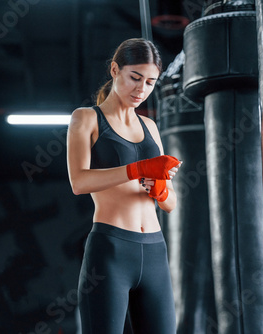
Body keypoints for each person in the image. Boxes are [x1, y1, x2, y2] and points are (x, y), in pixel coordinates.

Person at [67, 38, 181, 334]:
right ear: (115, 69)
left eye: (150, 82)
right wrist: (137, 169)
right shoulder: (86, 118)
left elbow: (171, 204)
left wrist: (161, 190)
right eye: (135, 77)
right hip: (111, 251)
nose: (141, 89)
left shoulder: (151, 127)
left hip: (155, 251)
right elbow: (79, 182)